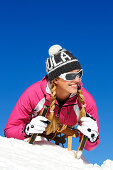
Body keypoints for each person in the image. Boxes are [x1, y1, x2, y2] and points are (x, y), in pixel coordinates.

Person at [4, 45, 99, 151]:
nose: (77, 80)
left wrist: (92, 138)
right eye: (70, 76)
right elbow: (10, 130)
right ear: (55, 80)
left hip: (59, 155)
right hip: (30, 149)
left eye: (79, 74)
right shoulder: (33, 94)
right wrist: (27, 130)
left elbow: (88, 147)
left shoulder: (86, 101)